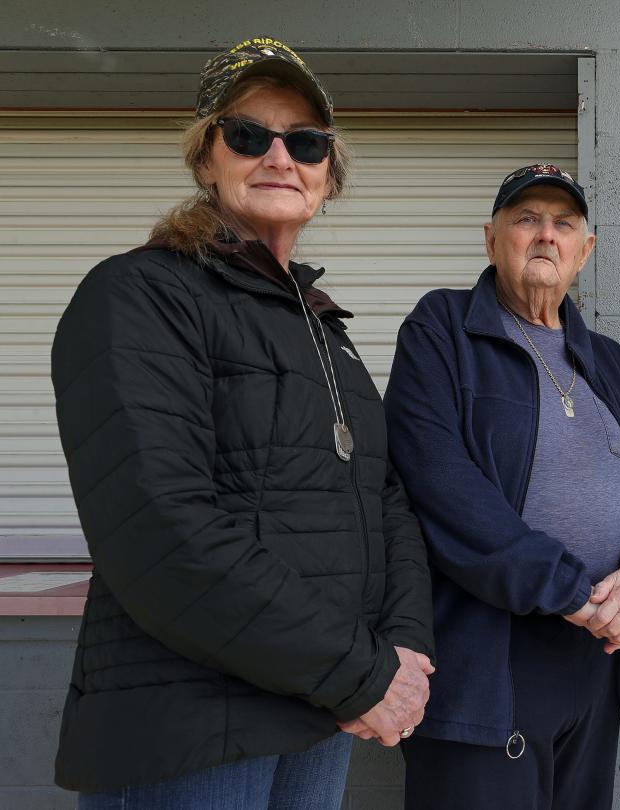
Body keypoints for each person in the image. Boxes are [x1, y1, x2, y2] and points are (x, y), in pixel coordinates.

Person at [51, 37, 435, 808]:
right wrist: (363, 675)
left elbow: (382, 500)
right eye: (248, 135)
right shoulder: (140, 296)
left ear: (328, 174)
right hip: (195, 729)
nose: (278, 156)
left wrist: (406, 647)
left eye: (306, 141)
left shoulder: (325, 330)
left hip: (317, 717)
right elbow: (162, 530)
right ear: (207, 158)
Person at [385, 164, 620, 808]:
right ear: (491, 239)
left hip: (597, 658)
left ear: (586, 249)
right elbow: (442, 487)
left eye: (564, 223)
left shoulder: (612, 363)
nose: (545, 235)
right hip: (488, 661)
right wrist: (571, 591)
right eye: (526, 219)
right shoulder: (442, 330)